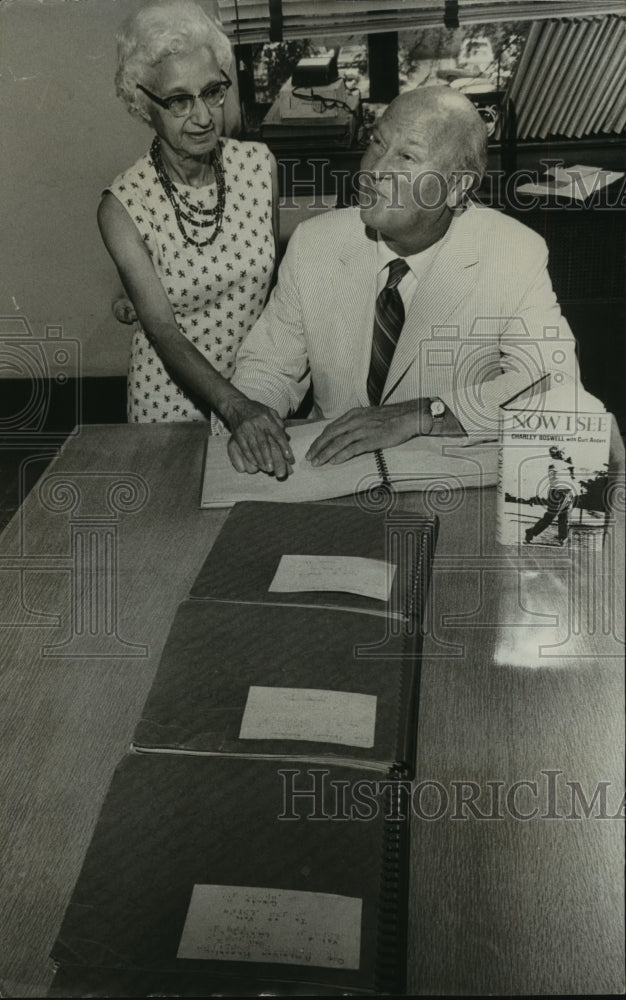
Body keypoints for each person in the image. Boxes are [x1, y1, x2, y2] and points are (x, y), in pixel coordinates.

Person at [227, 86, 579, 479]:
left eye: (407, 157)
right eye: (377, 143)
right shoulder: (314, 243)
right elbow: (269, 368)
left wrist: (422, 415)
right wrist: (251, 414)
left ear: (458, 187)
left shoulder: (512, 253)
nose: (376, 170)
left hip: (446, 477)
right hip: (330, 473)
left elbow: (552, 382)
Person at [100, 0, 292, 474]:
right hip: (171, 402)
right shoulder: (122, 206)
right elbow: (162, 331)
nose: (204, 117)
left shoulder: (259, 167)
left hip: (257, 386)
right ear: (144, 105)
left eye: (212, 92)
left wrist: (256, 395)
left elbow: (268, 289)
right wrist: (234, 406)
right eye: (179, 101)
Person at [524, 446, 577, 546]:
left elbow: (571, 477)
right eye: (561, 453)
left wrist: (570, 466)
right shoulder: (555, 464)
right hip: (557, 493)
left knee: (564, 517)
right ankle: (531, 532)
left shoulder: (564, 464)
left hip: (567, 492)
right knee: (549, 517)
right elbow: (557, 478)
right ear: (558, 454)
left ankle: (562, 538)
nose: (563, 454)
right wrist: (570, 464)